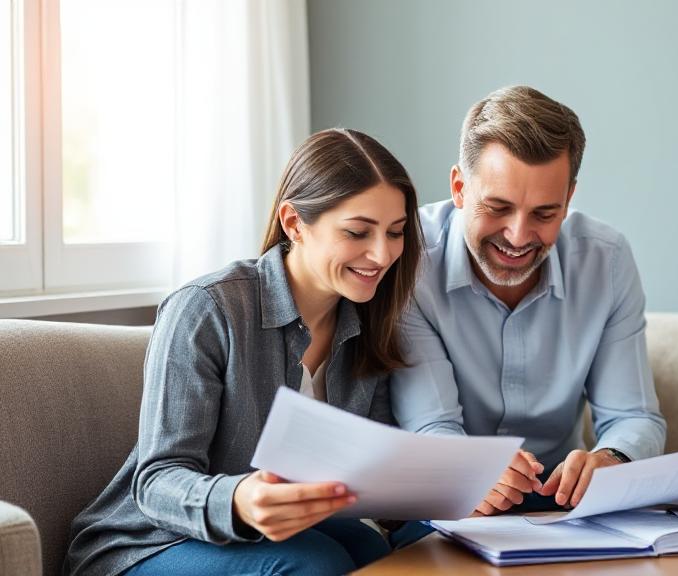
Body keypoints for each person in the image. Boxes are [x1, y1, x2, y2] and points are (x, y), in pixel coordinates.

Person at [63, 128, 423, 576]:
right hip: (148, 542)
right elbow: (156, 483)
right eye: (357, 232)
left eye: (396, 232)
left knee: (376, 551)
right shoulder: (207, 308)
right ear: (294, 223)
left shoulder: (369, 321)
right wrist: (238, 500)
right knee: (315, 563)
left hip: (276, 534)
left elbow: (372, 466)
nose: (382, 254)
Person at [391, 86, 666, 518]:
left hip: (561, 504)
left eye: (544, 213)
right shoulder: (409, 260)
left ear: (568, 199)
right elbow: (431, 425)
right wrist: (470, 471)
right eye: (497, 207)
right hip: (452, 497)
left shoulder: (606, 260)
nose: (518, 237)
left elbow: (635, 416)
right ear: (460, 188)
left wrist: (611, 460)